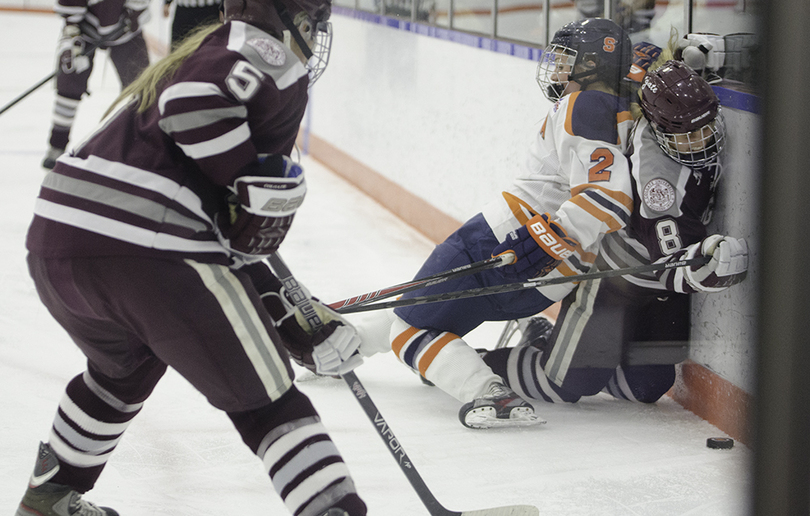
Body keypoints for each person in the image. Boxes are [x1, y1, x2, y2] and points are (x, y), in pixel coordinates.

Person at [16, 0, 368, 515]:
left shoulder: (198, 50)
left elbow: (225, 244)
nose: (315, 37)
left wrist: (286, 310)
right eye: (315, 22)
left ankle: (50, 498)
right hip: (147, 247)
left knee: (122, 371)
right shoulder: (267, 53)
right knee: (267, 401)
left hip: (58, 243)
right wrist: (241, 178)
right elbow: (193, 104)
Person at [364, 18, 637, 429]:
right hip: (551, 267)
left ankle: (491, 394)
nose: (559, 71)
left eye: (568, 61)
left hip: (506, 240)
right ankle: (336, 342)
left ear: (594, 65)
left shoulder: (586, 105)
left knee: (409, 329)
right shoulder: (617, 109)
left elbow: (609, 196)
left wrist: (551, 236)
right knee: (419, 308)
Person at [480, 58, 749, 405]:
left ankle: (550, 341)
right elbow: (670, 262)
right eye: (687, 134)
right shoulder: (658, 179)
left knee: (647, 385)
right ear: (661, 129)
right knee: (566, 383)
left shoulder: (677, 121)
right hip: (616, 278)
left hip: (655, 282)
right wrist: (708, 262)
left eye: (706, 126)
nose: (701, 141)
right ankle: (476, 364)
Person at [42, 0, 152, 169]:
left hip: (125, 29)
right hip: (84, 30)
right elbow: (70, 17)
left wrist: (134, 12)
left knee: (141, 87)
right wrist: (72, 41)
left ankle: (142, 144)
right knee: (69, 84)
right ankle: (57, 144)